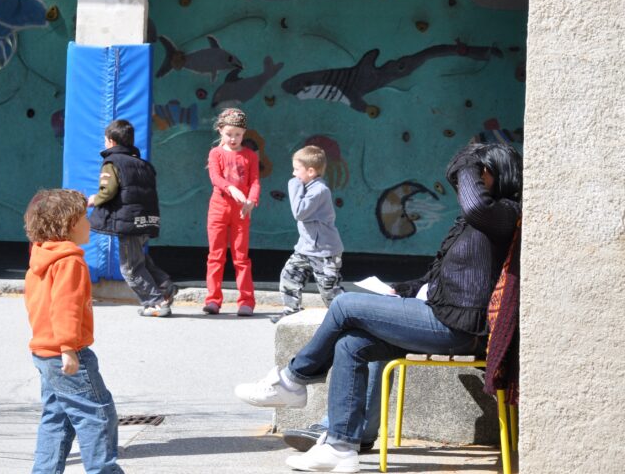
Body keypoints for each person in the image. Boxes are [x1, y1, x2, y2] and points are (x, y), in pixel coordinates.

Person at [234, 142, 522, 473]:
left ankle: (292, 380)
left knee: (343, 305)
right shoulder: (481, 222)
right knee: (352, 344)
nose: (464, 182)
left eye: (474, 174)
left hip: (456, 328)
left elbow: (475, 206)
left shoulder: (504, 213)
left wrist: (468, 159)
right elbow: (442, 277)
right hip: (442, 316)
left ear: (492, 174)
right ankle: (341, 446)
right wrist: (401, 289)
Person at [24, 189, 123, 474]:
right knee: (98, 414)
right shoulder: (70, 262)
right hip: (67, 354)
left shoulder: (40, 258)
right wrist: (68, 348)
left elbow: (38, 305)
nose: (89, 223)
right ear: (67, 224)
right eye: (84, 218)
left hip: (44, 353)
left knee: (56, 418)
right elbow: (65, 307)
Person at [87, 119, 177, 317]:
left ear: (110, 141)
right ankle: (165, 287)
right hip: (146, 220)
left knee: (130, 268)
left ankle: (155, 302)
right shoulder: (143, 165)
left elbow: (108, 191)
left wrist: (95, 199)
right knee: (141, 260)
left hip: (128, 223)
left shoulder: (112, 162)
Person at [275, 145, 345, 318]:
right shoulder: (308, 187)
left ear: (311, 171)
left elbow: (299, 212)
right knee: (289, 276)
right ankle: (291, 312)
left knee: (329, 290)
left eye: (297, 169)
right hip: (305, 249)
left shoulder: (319, 190)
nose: (294, 174)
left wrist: (293, 185)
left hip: (324, 252)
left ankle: (349, 316)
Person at [204, 107, 261, 316]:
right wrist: (231, 188)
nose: (233, 138)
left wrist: (252, 200)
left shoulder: (249, 155)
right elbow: (215, 178)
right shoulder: (216, 153)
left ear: (244, 133)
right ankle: (213, 299)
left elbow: (255, 181)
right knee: (216, 255)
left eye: (238, 134)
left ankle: (246, 301)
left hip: (241, 211)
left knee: (241, 257)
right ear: (220, 131)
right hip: (219, 208)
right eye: (229, 134)